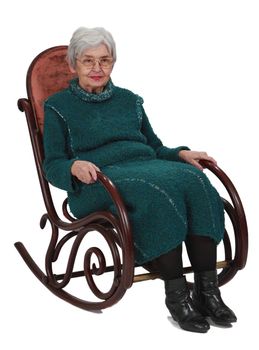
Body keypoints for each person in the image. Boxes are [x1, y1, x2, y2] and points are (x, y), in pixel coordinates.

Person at [43, 27, 237, 333]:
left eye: (104, 60)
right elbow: (51, 165)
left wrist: (181, 154)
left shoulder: (129, 100)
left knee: (193, 179)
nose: (97, 68)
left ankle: (207, 291)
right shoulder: (57, 107)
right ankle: (177, 296)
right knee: (155, 192)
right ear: (73, 65)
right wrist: (72, 167)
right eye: (88, 61)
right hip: (96, 181)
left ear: (113, 63)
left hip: (144, 165)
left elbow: (155, 148)